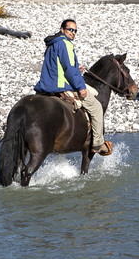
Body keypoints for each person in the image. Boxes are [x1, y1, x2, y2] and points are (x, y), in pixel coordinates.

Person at [33, 19, 111, 156]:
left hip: (45, 85)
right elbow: (69, 70)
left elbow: (59, 66)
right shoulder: (65, 44)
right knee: (96, 107)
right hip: (60, 86)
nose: (73, 33)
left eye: (75, 31)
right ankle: (98, 144)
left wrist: (77, 67)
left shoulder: (52, 44)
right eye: (70, 29)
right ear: (62, 30)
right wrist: (80, 87)